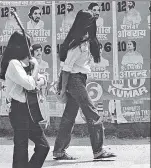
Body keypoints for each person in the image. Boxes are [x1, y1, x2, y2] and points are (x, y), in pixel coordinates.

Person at [53, 8, 116, 160]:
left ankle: (59, 151)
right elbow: (67, 69)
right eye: (91, 22)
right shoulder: (78, 44)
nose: (94, 25)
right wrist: (62, 89)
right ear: (85, 23)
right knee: (92, 113)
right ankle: (98, 150)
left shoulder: (84, 40)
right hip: (74, 80)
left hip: (78, 79)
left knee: (69, 116)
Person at [0, 31, 50, 168]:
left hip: (30, 109)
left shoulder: (24, 64)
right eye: (28, 45)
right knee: (21, 152)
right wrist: (36, 68)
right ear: (21, 46)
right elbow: (29, 84)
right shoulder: (13, 64)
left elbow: (42, 79)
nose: (30, 49)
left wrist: (36, 78)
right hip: (18, 109)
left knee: (43, 146)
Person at [31, 43, 50, 125]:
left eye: (40, 51)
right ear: (33, 52)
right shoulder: (31, 64)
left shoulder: (45, 64)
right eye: (36, 51)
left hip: (43, 89)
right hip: (34, 89)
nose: (39, 53)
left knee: (44, 105)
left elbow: (47, 77)